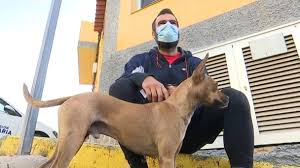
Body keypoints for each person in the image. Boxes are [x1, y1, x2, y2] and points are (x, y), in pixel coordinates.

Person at [109, 8, 254, 168]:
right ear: (154, 33)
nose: (168, 26)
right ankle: (137, 163)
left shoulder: (194, 64)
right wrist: (144, 79)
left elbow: (206, 97)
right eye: (162, 23)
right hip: (148, 136)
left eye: (173, 23)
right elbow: (118, 88)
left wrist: (182, 95)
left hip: (188, 133)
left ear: (178, 30)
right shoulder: (141, 60)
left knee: (235, 98)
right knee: (120, 89)